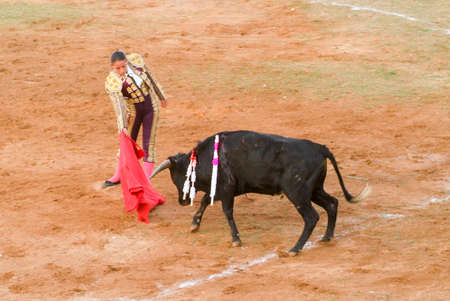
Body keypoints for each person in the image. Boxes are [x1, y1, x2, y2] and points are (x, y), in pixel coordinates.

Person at [104, 50, 168, 187]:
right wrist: (123, 126)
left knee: (149, 143)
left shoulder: (136, 62)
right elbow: (119, 105)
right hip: (133, 112)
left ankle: (146, 180)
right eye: (118, 68)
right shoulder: (113, 80)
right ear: (112, 67)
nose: (121, 70)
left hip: (151, 107)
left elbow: (150, 77)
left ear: (127, 61)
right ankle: (119, 174)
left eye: (123, 66)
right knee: (126, 143)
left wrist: (161, 95)